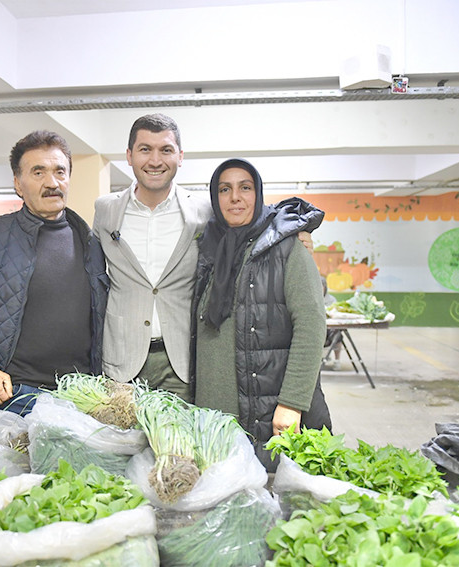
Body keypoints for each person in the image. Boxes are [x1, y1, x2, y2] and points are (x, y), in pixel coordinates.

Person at [94, 113, 312, 401]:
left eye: (166, 150)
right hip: (121, 362)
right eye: (145, 149)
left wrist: (296, 232)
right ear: (129, 155)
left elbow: (252, 220)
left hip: (182, 363)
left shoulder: (204, 210)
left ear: (180, 156)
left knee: (180, 432)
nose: (155, 160)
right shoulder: (106, 210)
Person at [0, 131, 108, 415]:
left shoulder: (91, 242)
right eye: (38, 172)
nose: (52, 183)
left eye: (60, 171)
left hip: (78, 398)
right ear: (18, 184)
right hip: (10, 396)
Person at [191, 158, 332, 471]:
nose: (235, 197)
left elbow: (311, 326)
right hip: (211, 417)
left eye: (245, 187)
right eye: (224, 189)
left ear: (258, 193)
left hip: (264, 412)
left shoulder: (287, 249)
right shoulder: (207, 249)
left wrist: (293, 402)